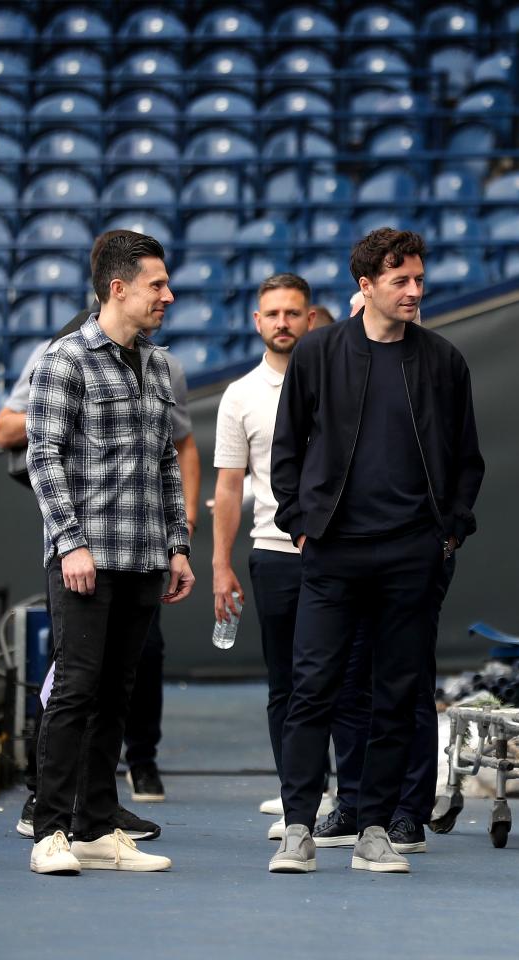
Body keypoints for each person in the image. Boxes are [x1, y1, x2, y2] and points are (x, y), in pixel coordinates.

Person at [267, 228, 483, 875]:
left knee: (397, 692)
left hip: (412, 555)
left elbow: (466, 459)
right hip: (332, 552)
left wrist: (448, 531)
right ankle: (299, 827)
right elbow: (287, 449)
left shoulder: (443, 361)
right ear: (366, 287)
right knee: (313, 690)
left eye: (418, 279)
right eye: (401, 281)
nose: (414, 291)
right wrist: (301, 520)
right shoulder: (317, 353)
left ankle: (375, 831)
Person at [25, 230, 193, 875]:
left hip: (145, 558)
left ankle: (96, 828)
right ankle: (49, 833)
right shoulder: (64, 360)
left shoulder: (155, 364)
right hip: (85, 561)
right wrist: (71, 543)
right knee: (74, 691)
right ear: (118, 289)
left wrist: (177, 545)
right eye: (157, 285)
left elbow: (165, 465)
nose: (168, 296)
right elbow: (43, 459)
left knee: (116, 695)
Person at [210, 273, 319, 837]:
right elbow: (229, 487)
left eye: (292, 313)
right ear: (258, 322)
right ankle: (297, 791)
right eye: (272, 313)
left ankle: (342, 797)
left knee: (340, 679)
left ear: (309, 318)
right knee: (286, 683)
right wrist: (220, 564)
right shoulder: (240, 395)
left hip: (333, 556)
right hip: (273, 556)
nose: (282, 323)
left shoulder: (335, 381)